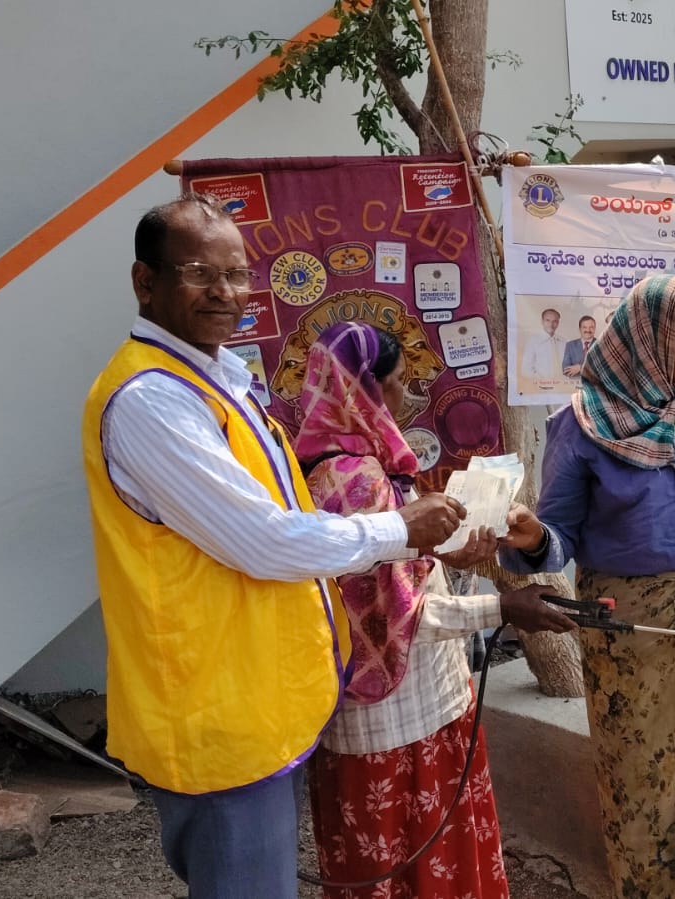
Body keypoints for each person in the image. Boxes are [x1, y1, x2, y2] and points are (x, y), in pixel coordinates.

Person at [80, 193, 467, 899]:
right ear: (146, 282)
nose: (226, 294)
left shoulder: (218, 384)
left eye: (237, 276)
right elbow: (261, 540)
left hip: (262, 703)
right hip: (215, 714)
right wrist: (398, 531)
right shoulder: (150, 401)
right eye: (201, 273)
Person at [499, 273, 675, 898]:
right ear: (651, 340)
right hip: (636, 640)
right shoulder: (582, 425)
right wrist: (531, 543)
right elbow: (559, 536)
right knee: (643, 791)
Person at [292, 321, 577, 899]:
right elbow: (398, 621)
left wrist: (464, 554)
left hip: (415, 708)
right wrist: (503, 607)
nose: (402, 400)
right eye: (396, 384)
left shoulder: (339, 468)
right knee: (417, 868)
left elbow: (402, 585)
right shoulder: (355, 483)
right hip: (396, 723)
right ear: (362, 392)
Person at [520, 307, 563, 383]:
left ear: (558, 323)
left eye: (555, 321)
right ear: (542, 321)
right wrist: (541, 380)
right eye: (547, 320)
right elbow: (525, 369)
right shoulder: (533, 341)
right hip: (541, 387)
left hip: (562, 386)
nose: (551, 324)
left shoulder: (564, 342)